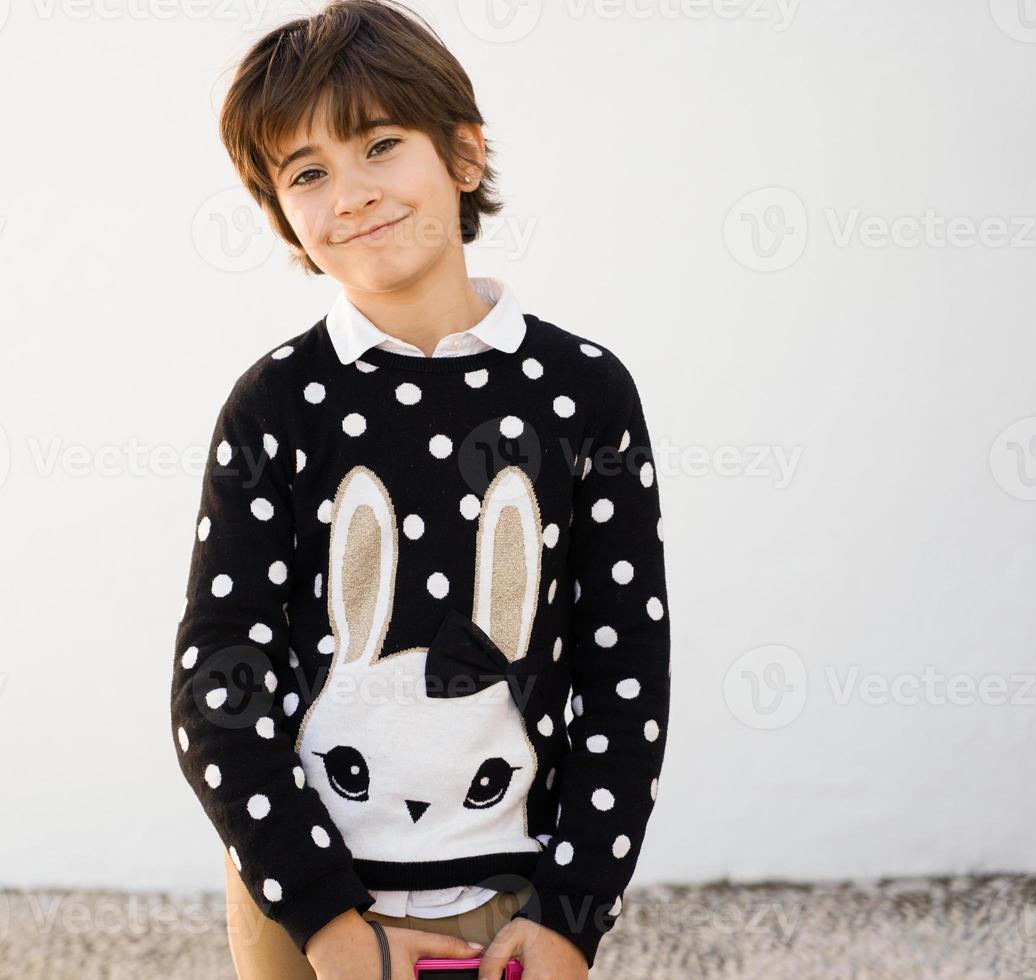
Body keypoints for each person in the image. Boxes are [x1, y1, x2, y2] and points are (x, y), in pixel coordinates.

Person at [170, 3, 671, 977]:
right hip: (306, 902)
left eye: (380, 145)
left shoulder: (583, 391)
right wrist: (327, 919)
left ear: (464, 156)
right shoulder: (278, 402)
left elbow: (625, 670)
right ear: (285, 216)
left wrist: (572, 913)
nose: (350, 191)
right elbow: (218, 678)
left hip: (509, 891)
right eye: (307, 171)